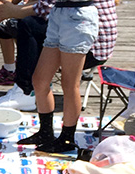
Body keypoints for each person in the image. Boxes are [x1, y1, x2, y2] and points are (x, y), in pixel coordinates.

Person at [19, 0, 118, 154]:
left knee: (70, 84)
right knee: (39, 80)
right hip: (59, 13)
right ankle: (46, 133)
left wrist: (11, 10)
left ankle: (67, 139)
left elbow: (43, 5)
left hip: (79, 16)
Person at [0, 0, 117, 112]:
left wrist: (8, 11)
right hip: (90, 39)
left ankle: (25, 90)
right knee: (17, 23)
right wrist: (0, 10)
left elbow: (45, 8)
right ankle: (33, 88)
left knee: (27, 24)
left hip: (88, 47)